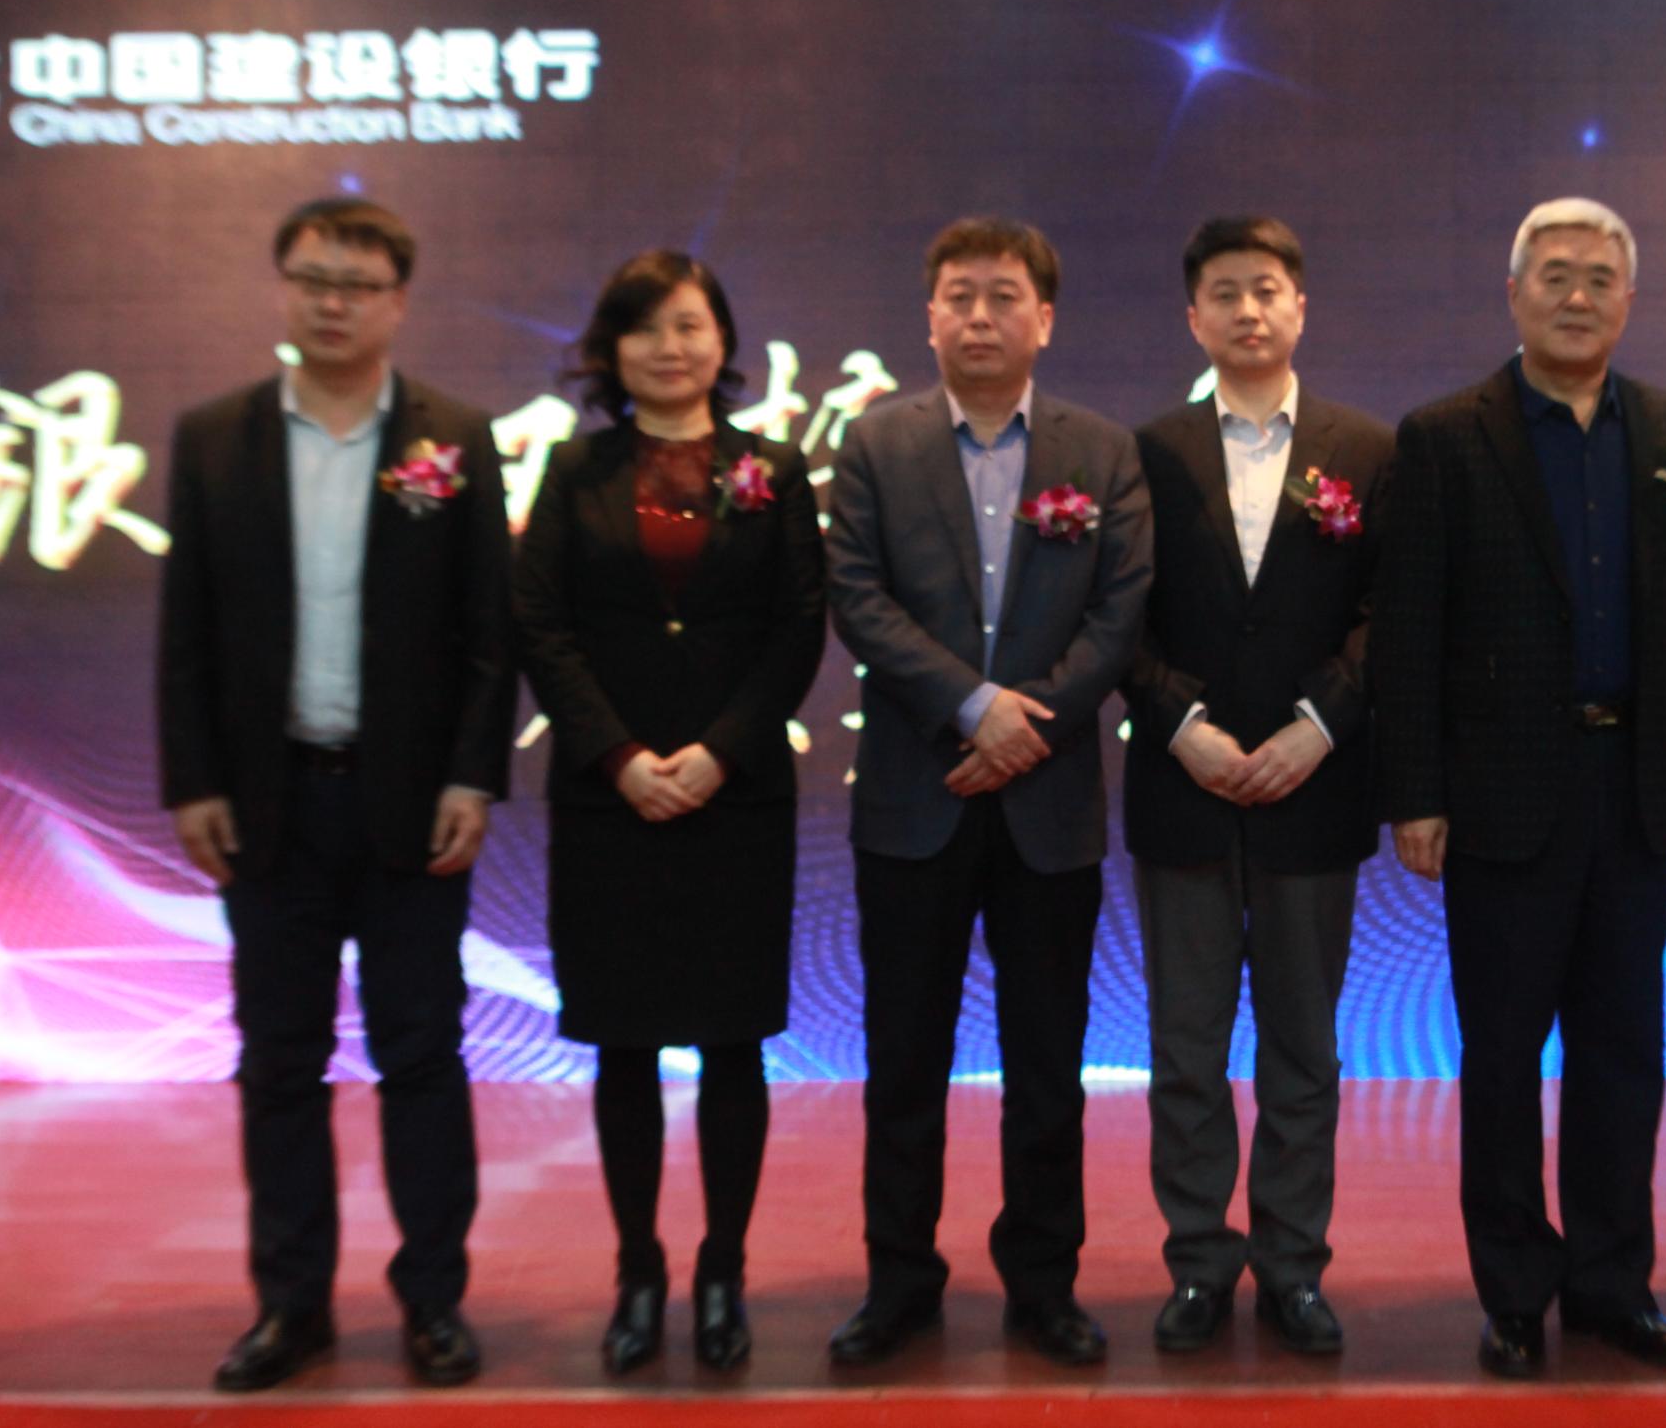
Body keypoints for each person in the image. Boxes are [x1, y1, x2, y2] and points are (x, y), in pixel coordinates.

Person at [1370, 197, 1666, 1379]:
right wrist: (1415, 790)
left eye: (1598, 278)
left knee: (1624, 1050)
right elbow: (1408, 628)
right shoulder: (1444, 436)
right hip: (1499, 795)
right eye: (1555, 275)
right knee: (1502, 1054)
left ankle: (1612, 1285)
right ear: (1514, 292)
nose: (1576, 296)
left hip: (1632, 783)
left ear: (1628, 299)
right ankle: (1515, 1292)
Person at [157, 197, 516, 1391]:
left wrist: (473, 773)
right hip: (270, 803)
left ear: (397, 302)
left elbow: (489, 633)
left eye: (357, 285)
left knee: (421, 1056)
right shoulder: (216, 438)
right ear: (284, 288)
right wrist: (194, 780)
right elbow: (187, 630)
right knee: (278, 1061)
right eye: (313, 279)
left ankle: (433, 1300)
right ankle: (291, 1303)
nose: (332, 302)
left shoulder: (453, 438)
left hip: (411, 803)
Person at [821, 217, 1152, 1368]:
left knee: (1047, 1067)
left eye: (1003, 296)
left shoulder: (1099, 451)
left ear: (1043, 320)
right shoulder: (876, 444)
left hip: (1047, 810)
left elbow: (1120, 612)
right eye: (958, 295)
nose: (978, 315)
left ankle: (1044, 1284)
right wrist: (973, 707)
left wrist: (1026, 724)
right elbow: (858, 596)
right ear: (928, 317)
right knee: (903, 1061)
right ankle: (899, 1281)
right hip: (914, 797)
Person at [511, 251, 827, 1375]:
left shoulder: (772, 469)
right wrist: (619, 757)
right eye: (645, 329)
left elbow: (798, 626)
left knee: (734, 1045)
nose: (669, 347)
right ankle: (638, 1273)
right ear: (613, 350)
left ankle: (723, 1271)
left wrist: (716, 752)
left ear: (721, 340)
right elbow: (541, 626)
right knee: (625, 1045)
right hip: (612, 806)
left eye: (689, 325)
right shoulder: (574, 469)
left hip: (735, 801)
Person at [1121, 217, 1392, 1357]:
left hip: (1311, 792)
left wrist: (1318, 727)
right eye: (1225, 293)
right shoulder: (1145, 452)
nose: (1247, 310)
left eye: (1267, 288)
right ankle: (1198, 1263)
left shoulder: (1365, 449)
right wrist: (1179, 724)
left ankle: (1292, 1267)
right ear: (1193, 318)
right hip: (1183, 789)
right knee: (1185, 1051)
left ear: (1300, 307)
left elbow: (1390, 613)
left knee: (1303, 1050)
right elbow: (1117, 614)